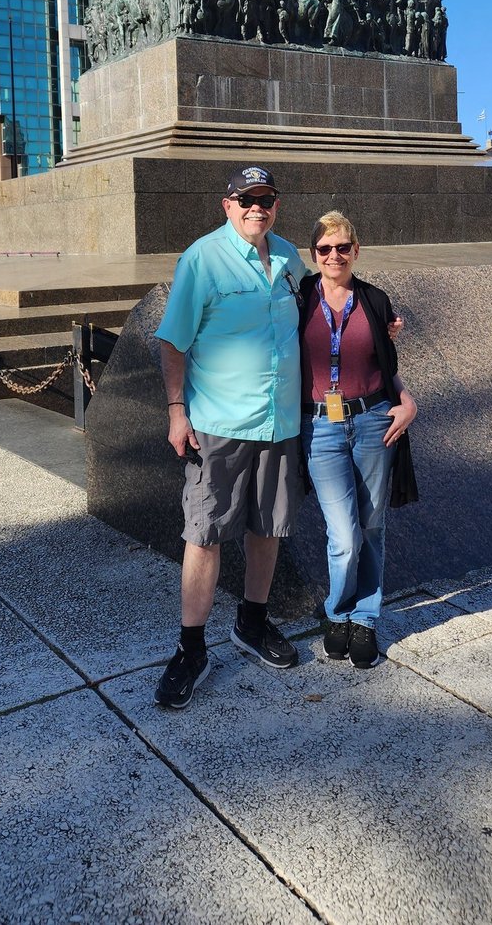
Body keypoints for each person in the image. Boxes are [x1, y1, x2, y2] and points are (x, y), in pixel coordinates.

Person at [153, 164, 307, 709]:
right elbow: (173, 340)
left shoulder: (291, 257)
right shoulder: (203, 258)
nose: (254, 208)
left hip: (279, 421)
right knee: (206, 534)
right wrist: (177, 410)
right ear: (228, 205)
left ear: (276, 205)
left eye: (264, 199)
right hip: (218, 425)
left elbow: (316, 322)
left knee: (268, 528)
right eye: (245, 199)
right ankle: (191, 648)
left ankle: (251, 621)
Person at [299, 211, 417, 669]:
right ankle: (338, 611)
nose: (334, 256)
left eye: (342, 247)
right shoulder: (299, 298)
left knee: (371, 524)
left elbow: (385, 365)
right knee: (343, 533)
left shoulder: (374, 300)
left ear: (356, 251)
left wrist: (406, 400)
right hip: (320, 427)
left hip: (371, 421)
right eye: (325, 249)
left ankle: (365, 618)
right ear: (314, 255)